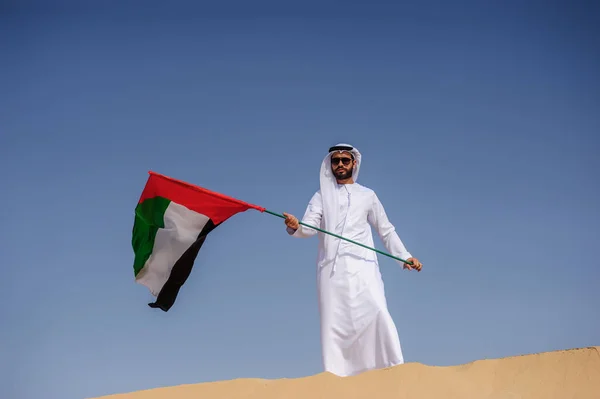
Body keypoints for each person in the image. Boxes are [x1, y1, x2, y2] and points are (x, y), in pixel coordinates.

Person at [283, 143, 422, 377]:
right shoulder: (320, 197)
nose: (339, 165)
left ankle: (393, 371)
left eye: (344, 160)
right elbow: (308, 227)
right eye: (335, 161)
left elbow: (385, 230)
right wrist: (295, 226)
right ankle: (336, 379)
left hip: (364, 268)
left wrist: (405, 257)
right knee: (334, 326)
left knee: (378, 312)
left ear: (353, 163)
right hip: (331, 271)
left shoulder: (368, 195)